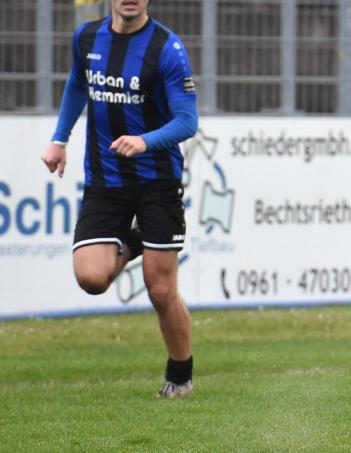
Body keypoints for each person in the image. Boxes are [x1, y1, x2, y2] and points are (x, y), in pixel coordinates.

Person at [40, 0, 198, 398]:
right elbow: (78, 84)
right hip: (105, 178)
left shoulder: (167, 48)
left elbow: (187, 120)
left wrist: (145, 141)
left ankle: (181, 375)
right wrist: (60, 140)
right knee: (91, 278)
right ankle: (135, 240)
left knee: (160, 289)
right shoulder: (87, 37)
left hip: (157, 181)